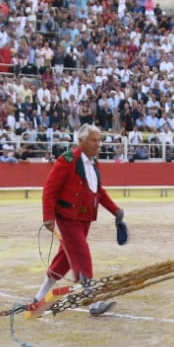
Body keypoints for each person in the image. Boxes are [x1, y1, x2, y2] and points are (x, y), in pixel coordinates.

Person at [32, 124, 126, 317]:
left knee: (65, 259)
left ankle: (39, 296)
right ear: (81, 141)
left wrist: (115, 210)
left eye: (99, 140)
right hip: (68, 217)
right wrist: (48, 216)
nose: (98, 144)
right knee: (82, 255)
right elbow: (50, 188)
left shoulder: (94, 163)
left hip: (84, 219)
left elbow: (98, 193)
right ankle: (94, 302)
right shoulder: (68, 160)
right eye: (94, 140)